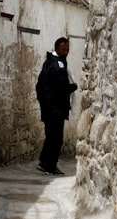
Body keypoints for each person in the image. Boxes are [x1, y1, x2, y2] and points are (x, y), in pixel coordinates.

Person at [35, 37, 78, 175]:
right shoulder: (56, 65)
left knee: (51, 136)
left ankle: (44, 161)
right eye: (63, 49)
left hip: (50, 108)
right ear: (57, 48)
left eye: (67, 49)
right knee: (56, 138)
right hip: (54, 109)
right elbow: (61, 88)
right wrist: (73, 87)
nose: (66, 52)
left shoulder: (50, 63)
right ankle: (50, 165)